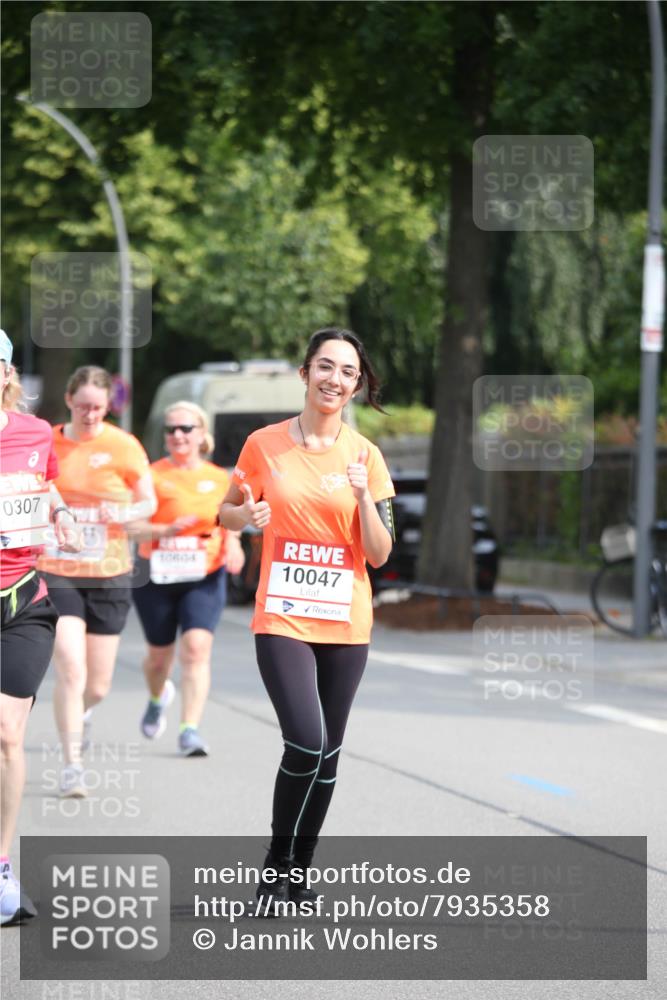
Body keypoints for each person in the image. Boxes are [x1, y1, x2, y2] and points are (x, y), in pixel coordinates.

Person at [219, 327, 395, 910]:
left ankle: (300, 869)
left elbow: (380, 552)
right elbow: (226, 512)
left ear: (356, 386)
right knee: (306, 741)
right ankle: (276, 861)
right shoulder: (263, 444)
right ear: (304, 373)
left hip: (346, 622)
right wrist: (245, 514)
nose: (335, 379)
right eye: (325, 366)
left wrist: (363, 498)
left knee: (330, 754)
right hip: (284, 617)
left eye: (347, 372)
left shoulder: (365, 456)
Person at [37, 366, 156, 798]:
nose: (90, 415)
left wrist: (119, 514)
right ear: (69, 399)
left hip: (109, 573)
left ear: (109, 407)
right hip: (55, 568)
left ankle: (82, 714)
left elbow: (149, 501)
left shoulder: (123, 445)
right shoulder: (46, 439)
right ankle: (72, 765)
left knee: (98, 685)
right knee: (71, 665)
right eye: (83, 406)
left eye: (99, 408)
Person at [0, 330, 80, 925]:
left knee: (7, 734)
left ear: (7, 373)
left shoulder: (35, 433)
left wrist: (61, 513)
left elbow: (44, 485)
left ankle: (0, 868)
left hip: (23, 599)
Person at [130, 401, 245, 756]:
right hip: (156, 576)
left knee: (196, 649)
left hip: (204, 574)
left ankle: (189, 729)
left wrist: (236, 544)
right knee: (158, 660)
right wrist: (164, 529)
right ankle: (157, 695)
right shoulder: (150, 475)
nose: (177, 435)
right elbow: (130, 528)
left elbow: (229, 518)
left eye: (185, 429)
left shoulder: (219, 477)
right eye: (171, 430)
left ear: (201, 434)